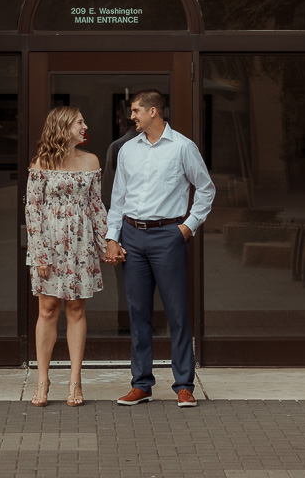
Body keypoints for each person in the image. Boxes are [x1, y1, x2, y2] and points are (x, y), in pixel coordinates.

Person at [104, 90, 215, 408]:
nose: (132, 116)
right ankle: (141, 384)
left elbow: (206, 189)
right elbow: (118, 199)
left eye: (136, 111)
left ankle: (184, 384)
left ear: (154, 111)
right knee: (138, 313)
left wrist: (187, 227)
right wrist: (113, 237)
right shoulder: (127, 150)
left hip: (168, 235)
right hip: (132, 236)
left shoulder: (182, 147)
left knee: (177, 312)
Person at [25, 105, 108, 407]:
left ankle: (75, 380)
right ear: (63, 127)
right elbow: (32, 209)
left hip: (80, 245)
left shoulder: (91, 161)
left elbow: (97, 207)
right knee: (47, 309)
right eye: (79, 122)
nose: (85, 126)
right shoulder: (41, 163)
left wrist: (106, 243)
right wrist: (40, 254)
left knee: (76, 310)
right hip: (49, 244)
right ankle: (42, 380)